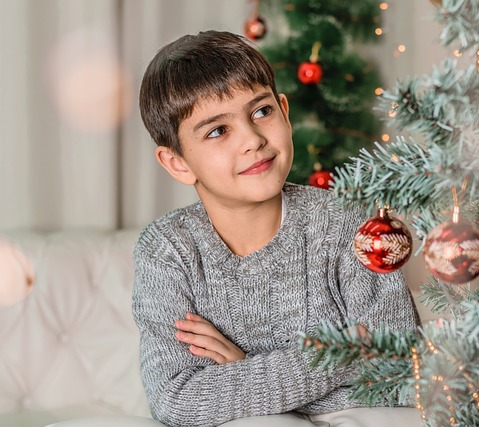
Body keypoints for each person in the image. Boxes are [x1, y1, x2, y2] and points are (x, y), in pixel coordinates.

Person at [133, 30, 420, 427]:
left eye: (262, 112)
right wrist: (342, 355)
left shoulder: (346, 221)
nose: (252, 139)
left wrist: (246, 372)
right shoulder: (168, 251)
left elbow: (402, 369)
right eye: (218, 131)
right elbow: (176, 399)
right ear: (178, 163)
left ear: (285, 112)